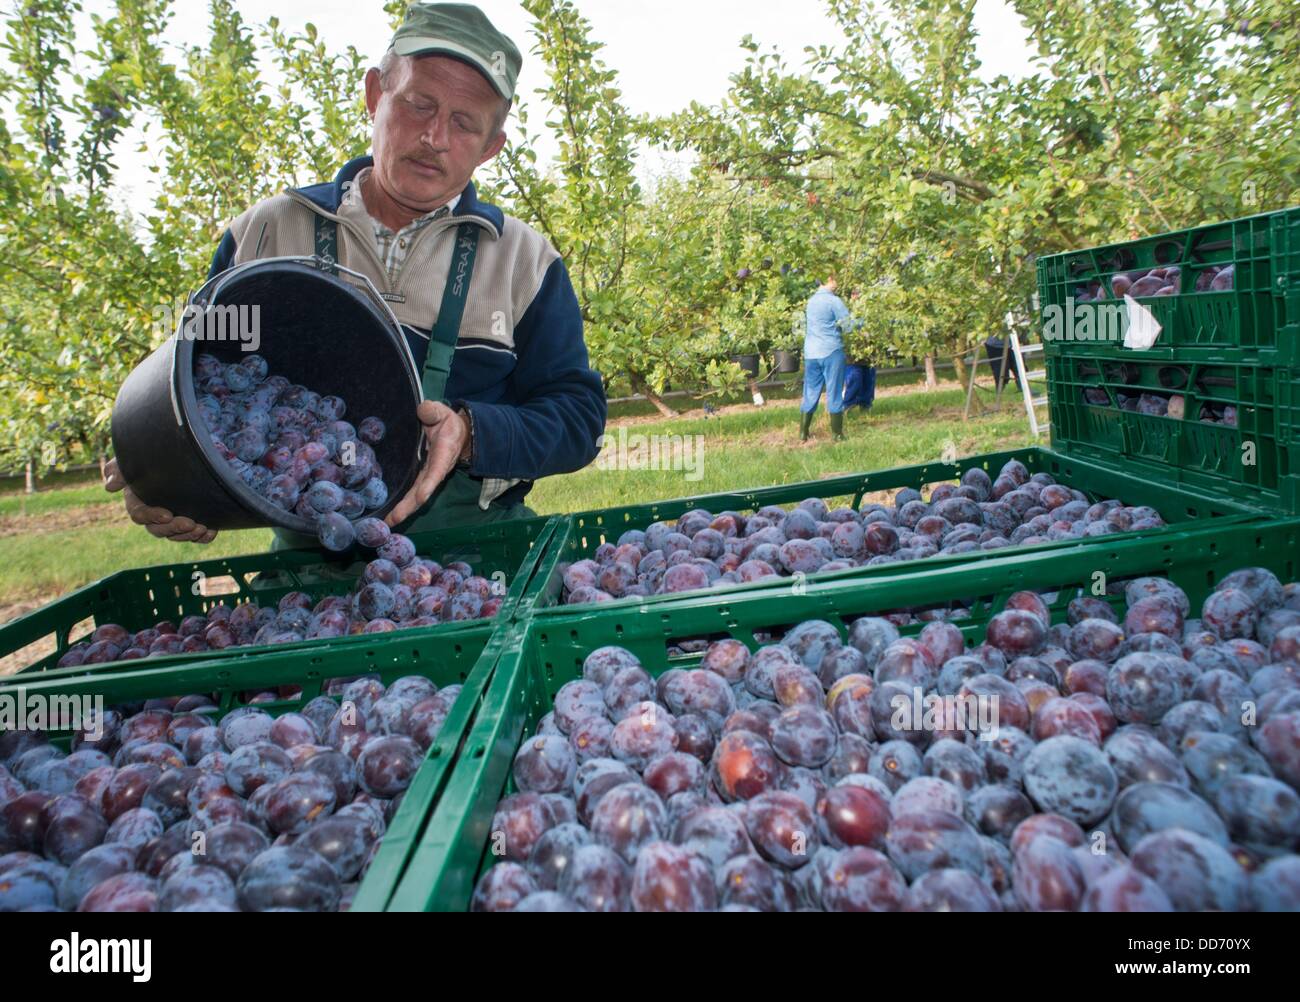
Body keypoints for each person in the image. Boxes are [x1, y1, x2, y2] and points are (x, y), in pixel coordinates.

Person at [103, 3, 606, 548]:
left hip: (481, 557)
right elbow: (203, 385)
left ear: (491, 147)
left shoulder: (524, 262)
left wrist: (471, 433)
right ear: (374, 94)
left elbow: (578, 419)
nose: (435, 136)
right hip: (305, 572)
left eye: (464, 123)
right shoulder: (265, 236)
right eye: (419, 104)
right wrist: (173, 474)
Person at [800, 273, 852, 442]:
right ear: (829, 279)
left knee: (810, 391)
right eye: (836, 278)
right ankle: (837, 434)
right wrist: (862, 321)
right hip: (831, 352)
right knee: (834, 392)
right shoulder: (834, 301)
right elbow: (848, 326)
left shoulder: (811, 301)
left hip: (811, 353)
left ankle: (803, 433)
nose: (838, 282)